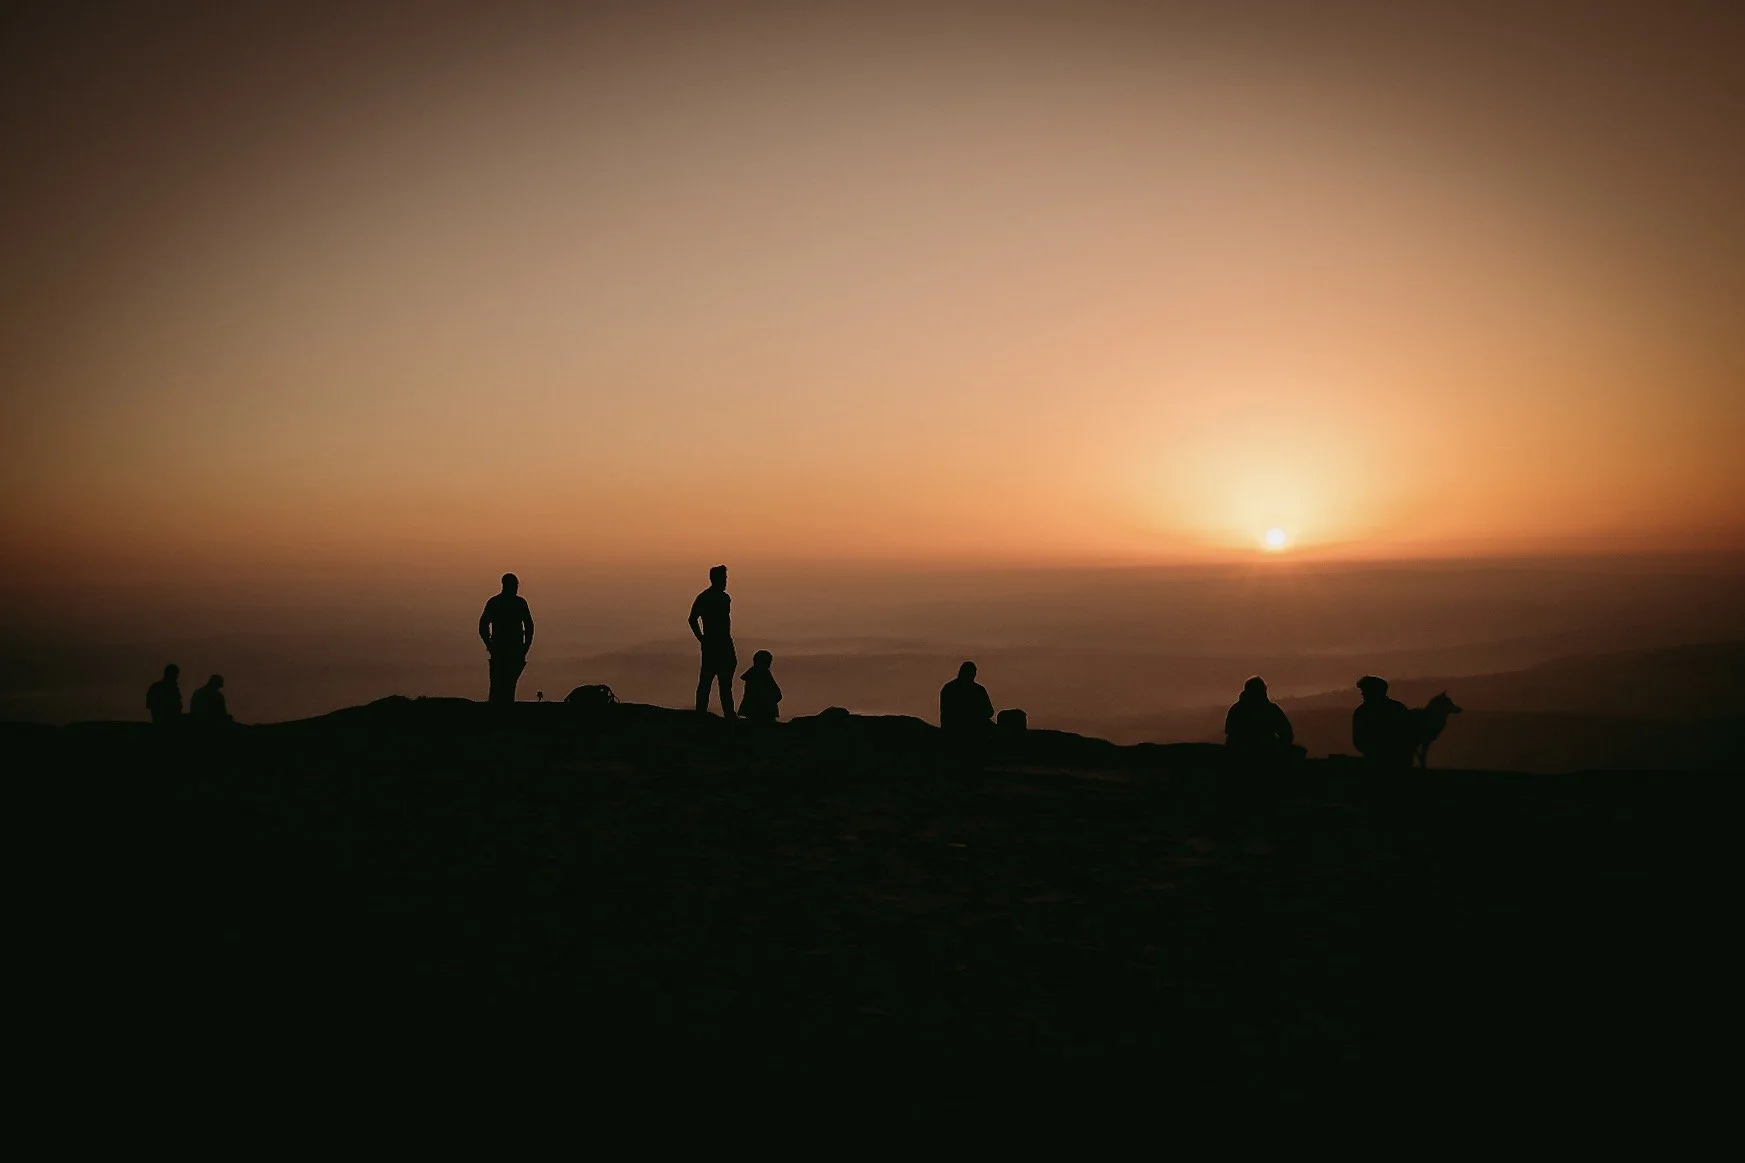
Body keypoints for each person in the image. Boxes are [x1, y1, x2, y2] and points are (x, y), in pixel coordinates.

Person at [479, 572, 535, 705]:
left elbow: (483, 626)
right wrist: (525, 647)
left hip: (503, 650)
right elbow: (529, 627)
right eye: (515, 585)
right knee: (506, 686)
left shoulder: (495, 602)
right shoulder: (518, 603)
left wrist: (490, 645)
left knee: (501, 686)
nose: (516, 588)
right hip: (508, 651)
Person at [688, 564, 736, 716]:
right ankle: (724, 713)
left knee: (711, 681)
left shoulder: (709, 597)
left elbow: (692, 619)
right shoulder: (716, 598)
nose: (725, 581)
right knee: (717, 682)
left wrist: (701, 638)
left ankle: (703, 712)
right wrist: (701, 638)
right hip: (717, 643)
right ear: (716, 579)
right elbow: (692, 619)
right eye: (724, 578)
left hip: (715, 643)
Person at [1224, 676, 1301, 761]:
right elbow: (1286, 733)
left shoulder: (1236, 709)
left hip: (1239, 753)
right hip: (1266, 753)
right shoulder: (1270, 709)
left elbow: (1228, 730)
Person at [1353, 674, 1413, 767]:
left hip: (1375, 762)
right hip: (1400, 762)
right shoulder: (1398, 708)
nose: (1362, 694)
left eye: (1365, 691)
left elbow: (1359, 741)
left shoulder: (1362, 711)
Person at [939, 661, 994, 733]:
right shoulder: (978, 690)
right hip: (973, 728)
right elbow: (989, 712)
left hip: (951, 727)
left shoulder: (948, 688)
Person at [739, 650, 783, 722]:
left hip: (753, 710)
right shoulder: (763, 674)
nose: (770, 663)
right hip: (763, 711)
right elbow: (775, 693)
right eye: (769, 661)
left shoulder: (752, 674)